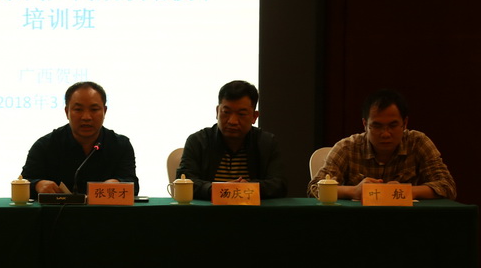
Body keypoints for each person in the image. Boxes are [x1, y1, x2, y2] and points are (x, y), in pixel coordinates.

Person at [308, 89, 456, 200]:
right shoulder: (347, 147)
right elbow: (314, 188)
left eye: (393, 125)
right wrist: (354, 191)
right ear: (365, 124)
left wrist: (406, 191)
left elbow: (447, 186)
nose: (385, 134)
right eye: (377, 126)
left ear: (405, 123)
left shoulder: (418, 142)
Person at [21, 81, 139, 197]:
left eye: (94, 109)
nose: (86, 117)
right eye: (78, 109)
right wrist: (38, 184)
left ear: (104, 111)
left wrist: (118, 183)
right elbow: (24, 182)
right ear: (67, 112)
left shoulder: (120, 145)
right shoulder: (45, 145)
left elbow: (133, 185)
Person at [177, 80, 287, 201]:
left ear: (254, 116)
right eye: (226, 112)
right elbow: (184, 180)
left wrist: (248, 187)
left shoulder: (267, 143)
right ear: (217, 112)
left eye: (241, 114)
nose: (232, 121)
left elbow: (279, 184)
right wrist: (219, 189)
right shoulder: (198, 141)